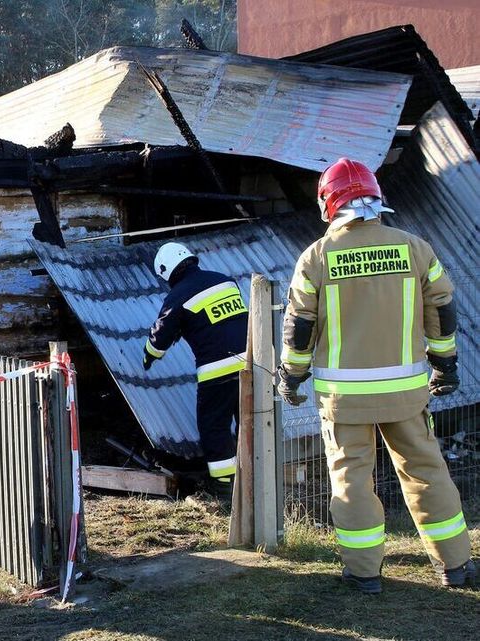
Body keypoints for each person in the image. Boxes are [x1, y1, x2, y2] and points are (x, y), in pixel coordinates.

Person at [277, 157, 475, 594]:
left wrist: (291, 376)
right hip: (406, 394)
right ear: (375, 196)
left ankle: (365, 575)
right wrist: (445, 365)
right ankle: (456, 566)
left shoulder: (317, 257)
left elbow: (299, 326)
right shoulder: (414, 247)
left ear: (329, 204)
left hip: (344, 400)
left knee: (352, 480)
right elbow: (441, 308)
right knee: (427, 471)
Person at [143, 242, 248, 497]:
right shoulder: (225, 281)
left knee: (214, 427)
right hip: (251, 366)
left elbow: (160, 338)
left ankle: (224, 490)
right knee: (250, 422)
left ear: (167, 271)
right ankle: (257, 478)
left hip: (217, 373)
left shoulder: (178, 295)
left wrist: (148, 356)